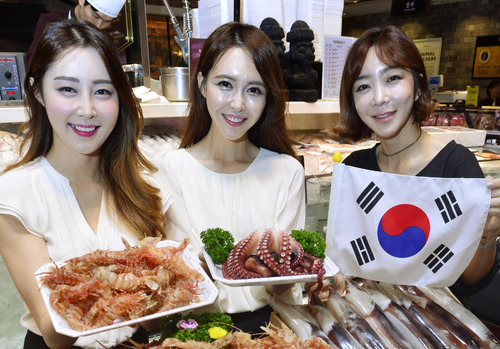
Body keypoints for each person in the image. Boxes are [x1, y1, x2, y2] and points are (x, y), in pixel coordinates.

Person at [0, 19, 175, 349]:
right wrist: (134, 282)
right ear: (38, 92)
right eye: (67, 89)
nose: (88, 109)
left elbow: (156, 317)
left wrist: (176, 282)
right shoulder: (15, 194)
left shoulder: (144, 186)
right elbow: (54, 331)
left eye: (102, 91)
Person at [150, 21, 306, 332]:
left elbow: (283, 286)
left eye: (254, 90)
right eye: (225, 84)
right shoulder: (168, 169)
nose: (238, 104)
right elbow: (176, 282)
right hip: (194, 332)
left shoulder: (286, 171)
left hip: (271, 330)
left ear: (268, 97)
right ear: (202, 84)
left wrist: (286, 271)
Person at [335, 25, 500, 310]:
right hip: (371, 318)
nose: (378, 97)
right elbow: (347, 267)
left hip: (437, 322)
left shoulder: (455, 165)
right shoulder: (356, 170)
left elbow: (470, 279)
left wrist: (488, 232)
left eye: (393, 78)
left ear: (417, 86)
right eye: (363, 86)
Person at [26, 0, 125, 66]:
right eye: (96, 16)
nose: (98, 26)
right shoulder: (50, 22)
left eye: (107, 21)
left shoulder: (106, 39)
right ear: (82, 1)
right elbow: (34, 62)